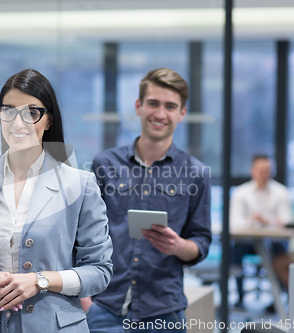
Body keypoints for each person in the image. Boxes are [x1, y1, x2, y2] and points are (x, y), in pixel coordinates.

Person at [0, 69, 113, 333]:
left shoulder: (80, 185)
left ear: (48, 120)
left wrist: (39, 281)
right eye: (9, 111)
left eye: (32, 113)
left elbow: (99, 271)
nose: (18, 124)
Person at [83, 68, 212, 333]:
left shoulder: (196, 173)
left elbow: (201, 242)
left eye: (170, 106)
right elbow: (82, 235)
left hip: (165, 313)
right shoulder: (104, 164)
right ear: (139, 106)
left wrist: (178, 246)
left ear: (182, 113)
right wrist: (84, 299)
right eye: (153, 103)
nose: (160, 114)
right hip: (105, 309)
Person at [229, 155, 292, 309]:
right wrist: (252, 220)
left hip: (273, 241)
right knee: (234, 255)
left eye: (268, 170)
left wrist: (266, 220)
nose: (265, 174)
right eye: (261, 170)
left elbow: (286, 220)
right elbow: (234, 220)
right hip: (246, 241)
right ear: (253, 171)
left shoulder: (281, 192)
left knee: (281, 257)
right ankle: (240, 297)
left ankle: (277, 301)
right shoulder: (241, 192)